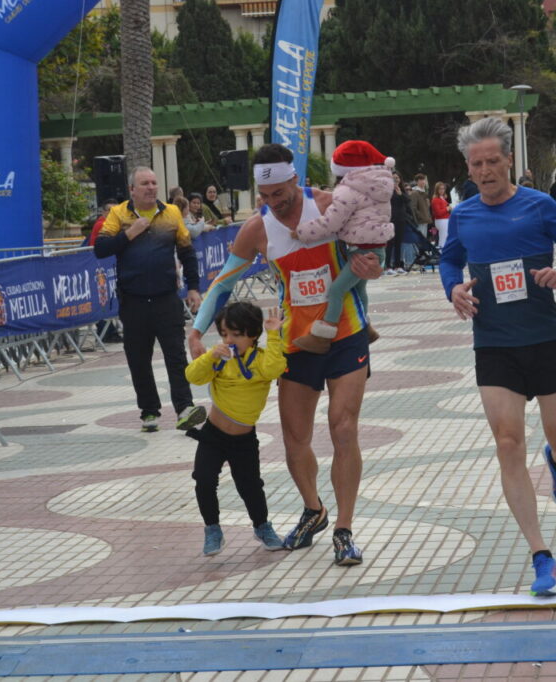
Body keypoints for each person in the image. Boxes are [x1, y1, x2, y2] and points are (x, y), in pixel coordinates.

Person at [187, 143, 382, 566]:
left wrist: (372, 268)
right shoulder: (256, 229)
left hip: (346, 332)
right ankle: (314, 510)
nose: (274, 204)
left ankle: (344, 530)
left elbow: (371, 253)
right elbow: (222, 284)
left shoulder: (331, 206)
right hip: (297, 342)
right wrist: (198, 328)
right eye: (266, 197)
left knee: (343, 428)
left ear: (296, 180)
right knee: (296, 439)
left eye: (281, 194)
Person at [439, 117, 556, 596]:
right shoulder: (463, 216)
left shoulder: (539, 205)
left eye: (492, 161)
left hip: (543, 340)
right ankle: (542, 557)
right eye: (476, 164)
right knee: (508, 442)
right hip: (493, 345)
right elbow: (449, 259)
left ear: (509, 159)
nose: (485, 171)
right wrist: (454, 290)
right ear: (467, 167)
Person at [94, 167, 207, 433]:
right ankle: (148, 411)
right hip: (133, 299)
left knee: (176, 355)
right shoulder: (118, 214)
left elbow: (187, 252)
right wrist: (129, 233)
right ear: (132, 189)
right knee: (138, 358)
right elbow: (100, 249)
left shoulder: (171, 213)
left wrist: (193, 288)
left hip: (165, 297)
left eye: (154, 183)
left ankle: (184, 408)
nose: (151, 187)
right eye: (144, 183)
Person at [186, 302, 288, 557]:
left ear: (252, 335)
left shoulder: (262, 360)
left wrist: (274, 334)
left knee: (250, 484)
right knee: (204, 479)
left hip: (244, 439)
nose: (229, 340)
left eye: (236, 335)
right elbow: (193, 377)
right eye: (224, 334)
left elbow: (276, 368)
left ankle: (262, 526)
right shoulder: (219, 359)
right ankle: (212, 529)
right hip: (213, 435)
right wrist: (209, 356)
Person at [289, 140, 394, 354]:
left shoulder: (348, 190)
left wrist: (302, 232)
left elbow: (332, 222)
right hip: (375, 247)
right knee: (359, 289)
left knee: (336, 291)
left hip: (361, 249)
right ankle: (365, 327)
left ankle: (324, 334)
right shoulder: (380, 186)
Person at [386, 171, 411, 276]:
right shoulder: (387, 190)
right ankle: (387, 266)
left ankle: (398, 266)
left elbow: (408, 200)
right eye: (393, 178)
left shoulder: (402, 190)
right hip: (390, 219)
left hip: (401, 219)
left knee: (398, 243)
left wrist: (400, 193)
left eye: (397, 178)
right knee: (390, 243)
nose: (396, 180)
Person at [409, 173, 432, 240]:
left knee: (423, 239)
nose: (423, 181)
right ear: (417, 181)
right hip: (420, 221)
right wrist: (421, 216)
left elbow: (426, 208)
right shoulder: (415, 192)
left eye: (423, 179)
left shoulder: (424, 192)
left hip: (425, 220)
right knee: (420, 240)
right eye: (420, 180)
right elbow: (413, 207)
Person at [431, 181, 451, 248]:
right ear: (437, 190)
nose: (442, 190)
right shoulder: (435, 199)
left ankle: (442, 253)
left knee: (444, 238)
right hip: (441, 221)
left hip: (444, 220)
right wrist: (447, 209)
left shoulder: (442, 198)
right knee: (443, 240)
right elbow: (438, 213)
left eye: (443, 188)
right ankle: (441, 254)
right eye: (440, 189)